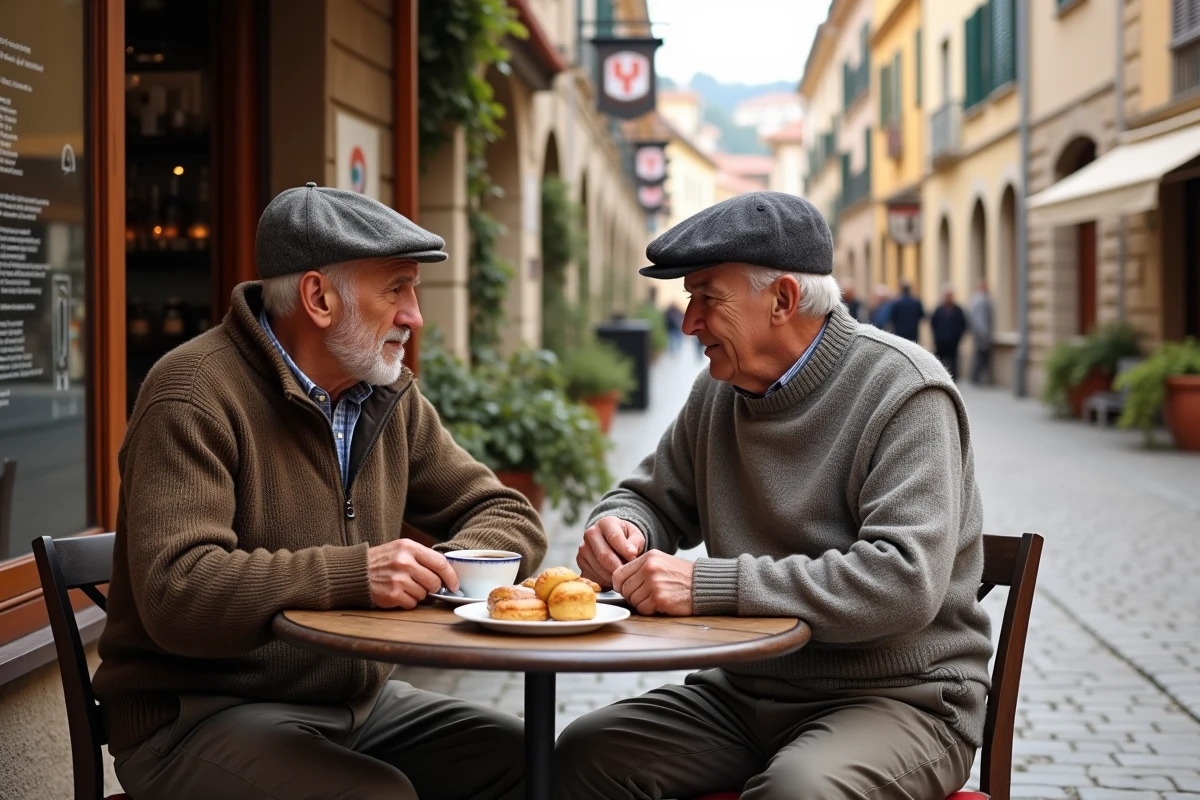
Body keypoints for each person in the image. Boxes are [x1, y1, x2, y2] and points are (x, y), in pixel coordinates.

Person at [93, 183, 547, 800]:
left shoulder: (385, 396)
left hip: (355, 706)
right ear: (318, 298)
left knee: (529, 761)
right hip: (197, 717)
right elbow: (179, 591)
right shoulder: (193, 394)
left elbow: (507, 512)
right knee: (378, 796)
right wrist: (358, 574)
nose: (414, 315)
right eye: (397, 289)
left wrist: (444, 570)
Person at [556, 191, 991, 800]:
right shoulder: (718, 391)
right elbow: (652, 497)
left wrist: (707, 585)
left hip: (900, 700)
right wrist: (622, 526)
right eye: (689, 299)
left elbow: (903, 581)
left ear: (783, 300)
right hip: (743, 692)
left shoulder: (905, 390)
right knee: (583, 755)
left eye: (707, 298)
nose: (688, 323)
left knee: (795, 792)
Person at [931, 284, 968, 380]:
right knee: (940, 362)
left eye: (950, 295)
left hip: (953, 342)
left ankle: (953, 380)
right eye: (947, 295)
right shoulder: (939, 309)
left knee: (954, 363)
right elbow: (933, 324)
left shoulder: (958, 310)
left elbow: (963, 325)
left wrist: (958, 337)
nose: (948, 297)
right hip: (941, 342)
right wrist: (937, 337)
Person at [969, 281, 995, 385]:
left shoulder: (975, 300)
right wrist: (985, 334)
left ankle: (976, 377)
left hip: (978, 332)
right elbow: (981, 319)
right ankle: (977, 378)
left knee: (979, 355)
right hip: (982, 333)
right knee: (981, 356)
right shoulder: (982, 301)